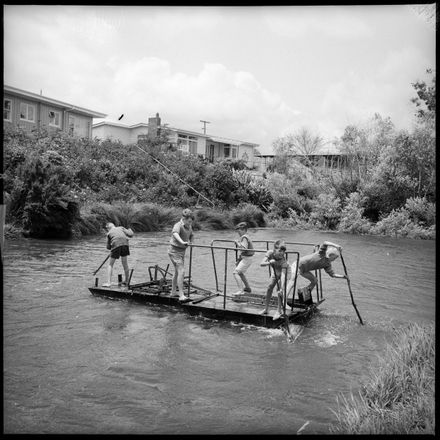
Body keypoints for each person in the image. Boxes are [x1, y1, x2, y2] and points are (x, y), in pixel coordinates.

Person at [168, 208, 194, 301]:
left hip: (182, 251)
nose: (190, 223)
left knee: (177, 271)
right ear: (184, 219)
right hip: (174, 251)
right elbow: (175, 234)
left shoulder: (189, 226)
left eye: (191, 221)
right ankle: (181, 295)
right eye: (188, 221)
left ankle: (173, 292)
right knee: (182, 271)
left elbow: (192, 235)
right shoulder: (178, 225)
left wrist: (191, 242)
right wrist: (182, 242)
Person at [260, 239, 291, 320]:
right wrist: (269, 262)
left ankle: (279, 311)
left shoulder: (284, 262)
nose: (282, 253)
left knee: (279, 290)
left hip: (285, 271)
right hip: (275, 270)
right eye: (280, 251)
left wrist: (281, 288)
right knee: (270, 287)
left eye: (283, 251)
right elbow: (261, 264)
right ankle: (266, 309)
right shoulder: (270, 253)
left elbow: (283, 276)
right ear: (274, 250)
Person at [103, 222, 134, 287]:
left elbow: (108, 247)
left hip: (116, 246)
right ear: (114, 225)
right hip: (125, 245)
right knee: (125, 264)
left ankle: (109, 283)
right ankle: (126, 281)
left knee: (110, 264)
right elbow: (131, 234)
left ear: (108, 228)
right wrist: (129, 229)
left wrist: (112, 246)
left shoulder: (108, 233)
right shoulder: (121, 228)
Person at [231, 221, 255, 298]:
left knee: (235, 273)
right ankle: (247, 288)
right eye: (237, 230)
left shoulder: (244, 237)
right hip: (246, 258)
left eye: (239, 230)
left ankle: (240, 290)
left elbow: (244, 249)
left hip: (247, 258)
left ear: (244, 229)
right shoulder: (245, 237)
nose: (238, 232)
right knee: (240, 273)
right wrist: (239, 259)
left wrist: (237, 243)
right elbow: (243, 250)